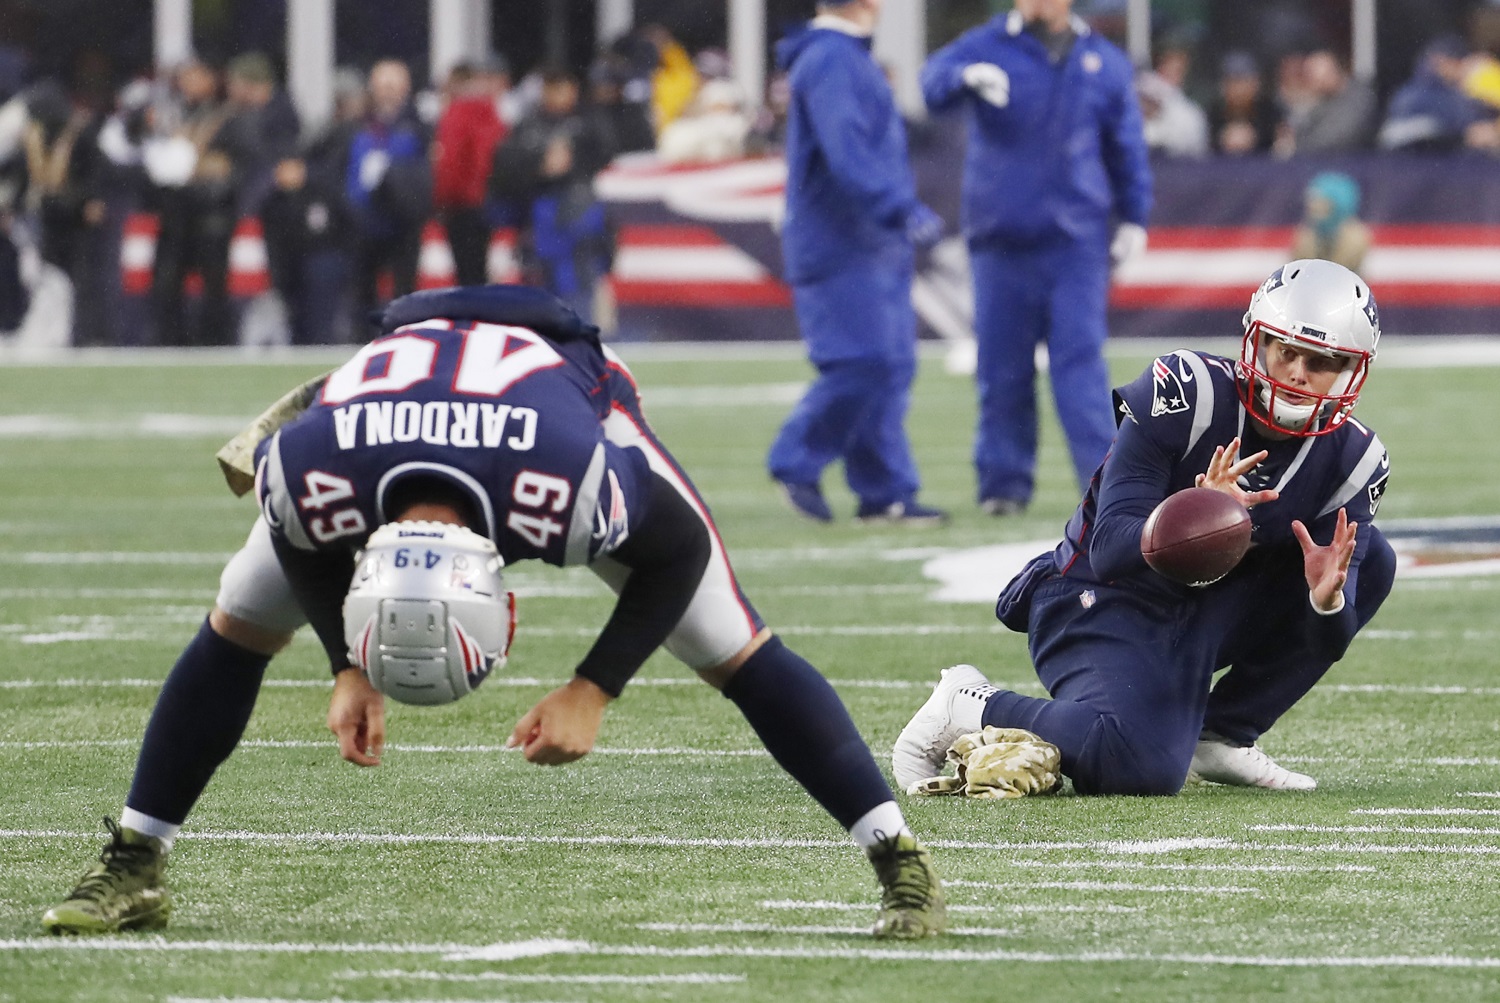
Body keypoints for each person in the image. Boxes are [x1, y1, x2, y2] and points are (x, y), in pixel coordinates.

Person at [40, 283, 945, 941]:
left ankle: (899, 859)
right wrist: (344, 664)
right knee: (239, 615)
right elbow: (302, 535)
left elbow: (677, 549)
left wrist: (596, 687)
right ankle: (135, 859)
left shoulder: (568, 482)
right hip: (392, 381)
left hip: (560, 377)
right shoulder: (316, 476)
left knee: (729, 641)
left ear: (513, 590)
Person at [893, 260, 1396, 797]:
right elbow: (1109, 548)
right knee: (1141, 768)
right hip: (1100, 599)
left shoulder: (1355, 461)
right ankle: (968, 702)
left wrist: (1325, 601)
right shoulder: (1191, 393)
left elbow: (1329, 640)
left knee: (1377, 562)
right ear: (1257, 341)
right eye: (1285, 350)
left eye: (1320, 361)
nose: (1297, 372)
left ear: (1350, 370)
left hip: (1202, 614)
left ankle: (1224, 734)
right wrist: (1198, 511)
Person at [921, 0, 1153, 517]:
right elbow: (931, 84)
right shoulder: (986, 45)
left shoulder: (1103, 60)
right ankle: (1003, 486)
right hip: (1000, 239)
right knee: (1002, 371)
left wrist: (1135, 214)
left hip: (1076, 243)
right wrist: (964, 76)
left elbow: (1125, 144)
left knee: (1081, 369)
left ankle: (1104, 488)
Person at [767, 0, 948, 526]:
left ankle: (884, 491)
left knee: (888, 367)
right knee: (862, 363)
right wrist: (897, 206)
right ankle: (794, 459)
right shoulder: (831, 58)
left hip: (865, 238)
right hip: (842, 238)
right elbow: (847, 151)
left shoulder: (842, 56)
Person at [491, 66, 616, 324]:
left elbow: (606, 151)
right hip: (537, 217)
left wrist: (571, 158)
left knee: (578, 287)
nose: (557, 95)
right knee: (539, 287)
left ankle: (581, 344)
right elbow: (504, 166)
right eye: (551, 88)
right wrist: (539, 163)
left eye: (563, 87)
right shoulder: (528, 125)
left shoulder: (588, 121)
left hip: (578, 214)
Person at [432, 61, 507, 287]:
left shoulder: (456, 114)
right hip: (488, 202)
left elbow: (450, 163)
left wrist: (441, 200)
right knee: (480, 272)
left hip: (461, 204)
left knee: (466, 274)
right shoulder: (491, 113)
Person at [1291, 171, 1370, 275]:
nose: (1313, 207)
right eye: (1312, 201)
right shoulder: (1305, 237)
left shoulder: (1355, 239)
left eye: (1321, 202)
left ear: (1338, 204)